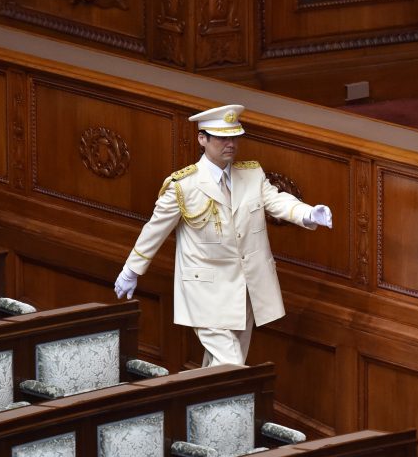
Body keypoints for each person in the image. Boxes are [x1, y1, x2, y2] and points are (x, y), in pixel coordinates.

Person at [113, 104, 333, 366]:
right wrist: (131, 270)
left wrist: (308, 213)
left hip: (246, 290)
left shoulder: (251, 174)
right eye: (221, 137)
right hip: (206, 292)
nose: (230, 144)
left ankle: (189, 405)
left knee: (220, 370)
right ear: (202, 139)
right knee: (232, 368)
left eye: (234, 137)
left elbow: (276, 201)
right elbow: (155, 229)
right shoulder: (183, 186)